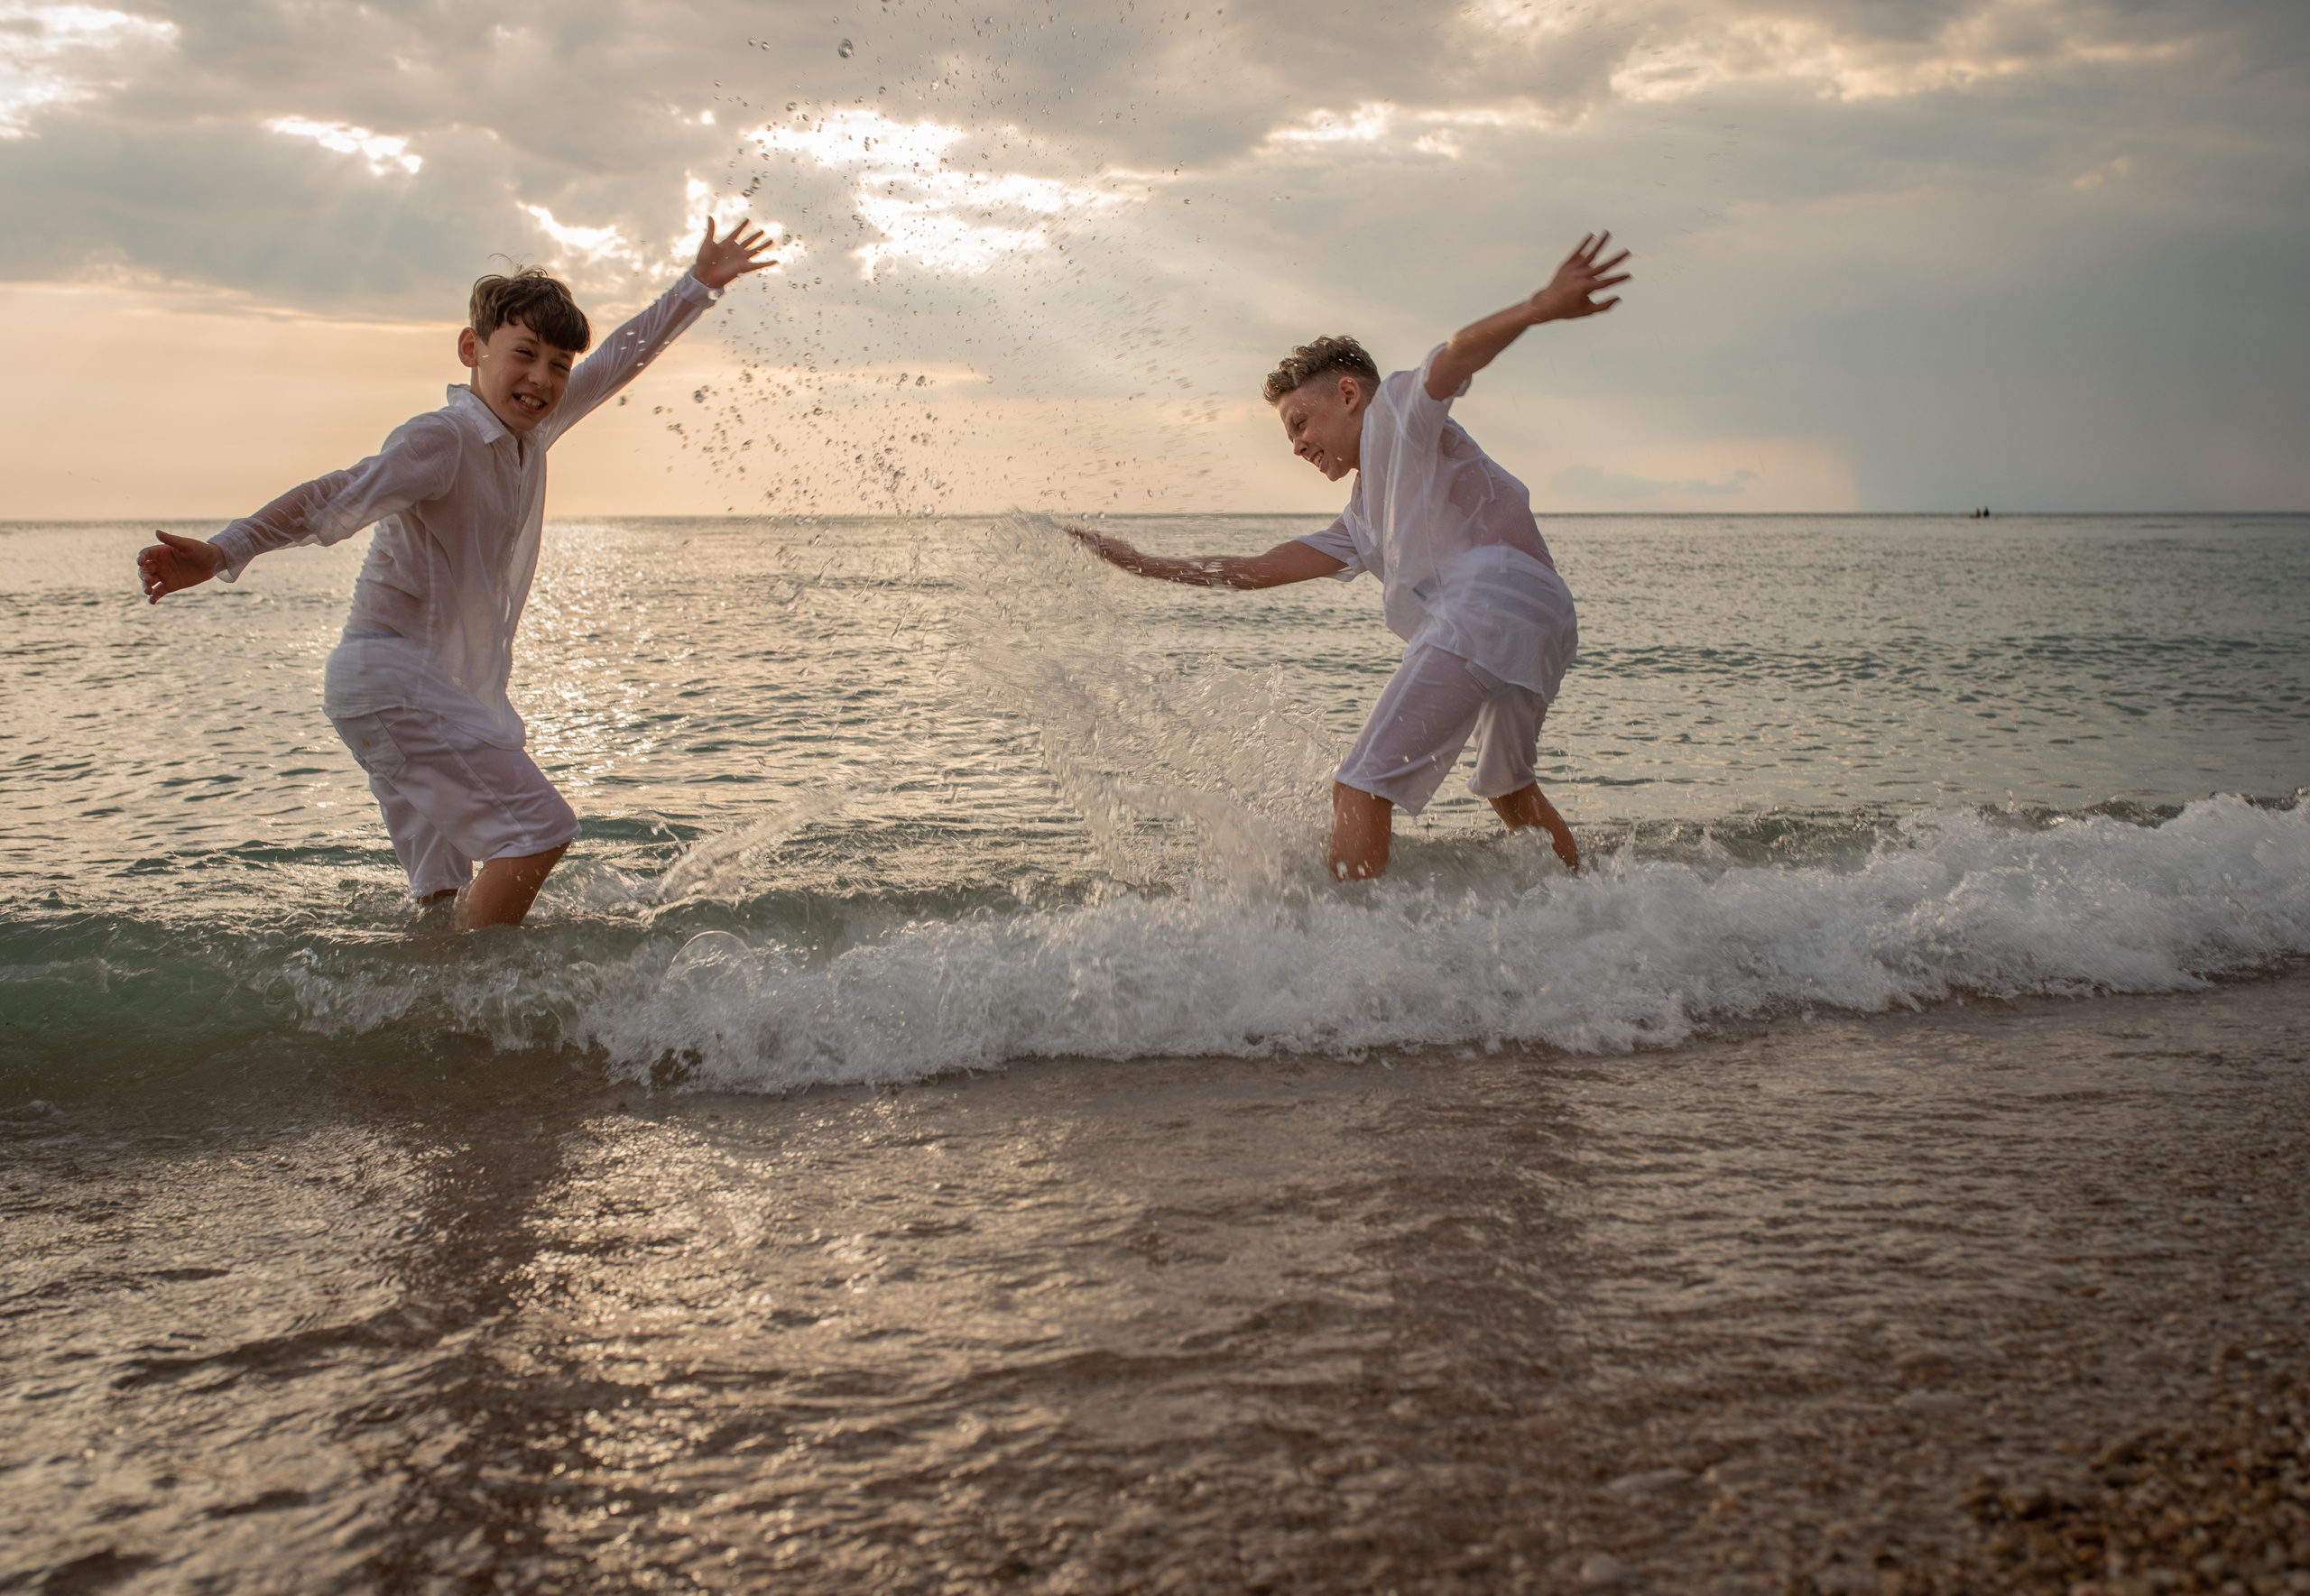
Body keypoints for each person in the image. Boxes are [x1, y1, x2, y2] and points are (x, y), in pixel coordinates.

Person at [136, 218, 779, 928]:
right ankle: (491, 1011)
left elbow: (621, 357)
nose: (542, 378)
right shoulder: (442, 437)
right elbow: (334, 493)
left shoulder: (531, 432)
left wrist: (696, 286)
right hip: (394, 683)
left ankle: (435, 1022)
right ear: (473, 349)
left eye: (558, 365)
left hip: (405, 691)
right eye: (524, 355)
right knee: (537, 830)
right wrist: (227, 550)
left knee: (442, 897)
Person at [1068, 233, 1629, 881]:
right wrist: (1144, 562)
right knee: (1508, 787)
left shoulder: (1395, 412)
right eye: (1289, 434)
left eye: (1301, 422)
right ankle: (1590, 904)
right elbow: (1262, 568)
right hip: (1546, 618)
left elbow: (1454, 355)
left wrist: (1538, 306)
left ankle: (1353, 958)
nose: (1298, 444)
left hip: (1489, 602)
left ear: (1347, 394)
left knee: (1360, 785)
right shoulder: (1364, 519)